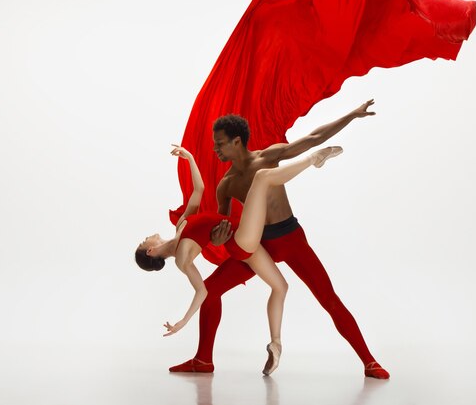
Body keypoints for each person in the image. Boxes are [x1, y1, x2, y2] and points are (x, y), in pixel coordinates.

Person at [169, 99, 390, 379]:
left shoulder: (268, 156)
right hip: (258, 247)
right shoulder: (226, 184)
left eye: (220, 143)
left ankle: (369, 362)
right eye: (215, 143)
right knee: (210, 291)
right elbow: (222, 224)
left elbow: (313, 138)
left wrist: (352, 115)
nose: (215, 149)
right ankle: (202, 360)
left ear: (237, 141)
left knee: (328, 299)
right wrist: (217, 236)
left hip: (290, 239)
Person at [135, 144, 344, 374]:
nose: (144, 238)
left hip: (248, 248)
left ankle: (275, 344)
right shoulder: (182, 259)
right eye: (143, 243)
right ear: (150, 252)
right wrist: (183, 321)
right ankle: (313, 158)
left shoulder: (181, 225)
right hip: (242, 241)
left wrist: (189, 158)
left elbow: (199, 189)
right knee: (262, 179)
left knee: (281, 287)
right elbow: (202, 291)